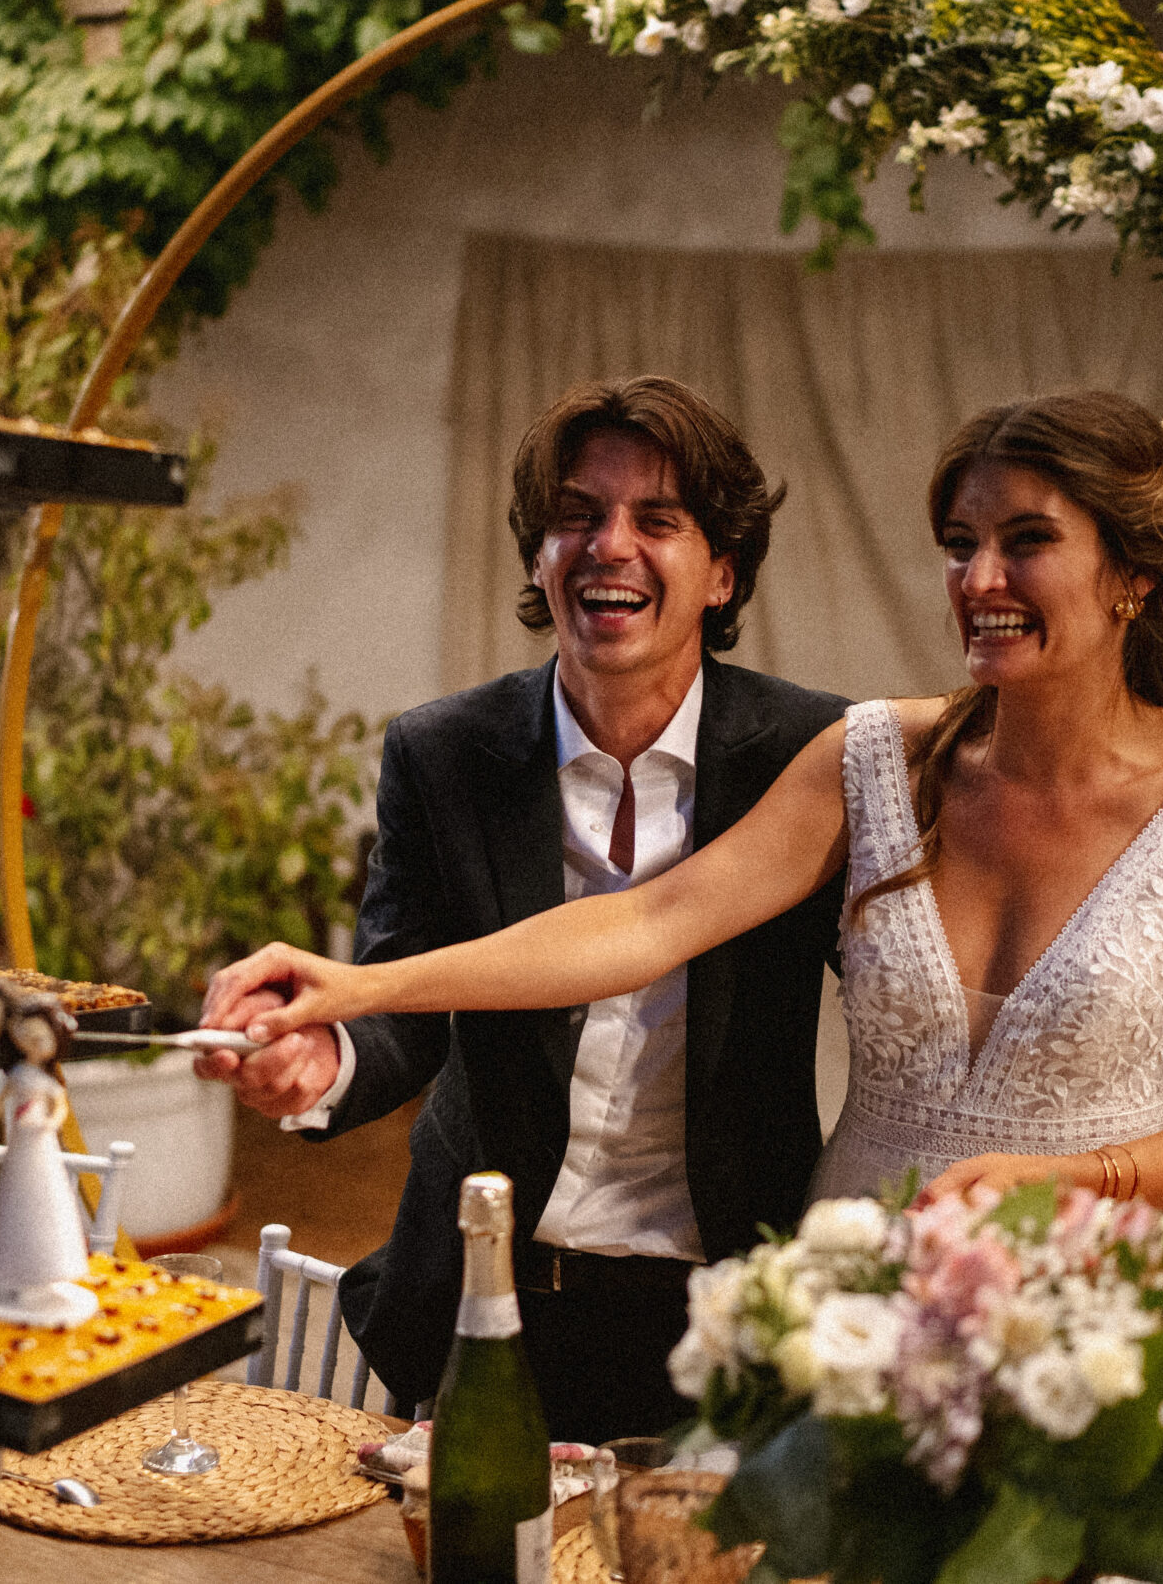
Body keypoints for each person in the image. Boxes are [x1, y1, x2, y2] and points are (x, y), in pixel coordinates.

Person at [206, 390, 1163, 1231]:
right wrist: (358, 986)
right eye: (958, 544)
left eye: (1026, 541)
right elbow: (649, 922)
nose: (979, 579)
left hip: (1090, 1295)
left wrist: (1089, 1178)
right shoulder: (873, 758)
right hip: (851, 1278)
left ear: (1132, 573)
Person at [194, 377, 849, 1442]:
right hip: (486, 1299)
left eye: (657, 520)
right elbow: (399, 992)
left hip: (733, 1310)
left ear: (723, 572)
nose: (609, 546)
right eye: (576, 515)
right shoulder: (444, 751)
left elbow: (903, 992)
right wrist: (323, 1059)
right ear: (538, 557)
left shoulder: (811, 757)